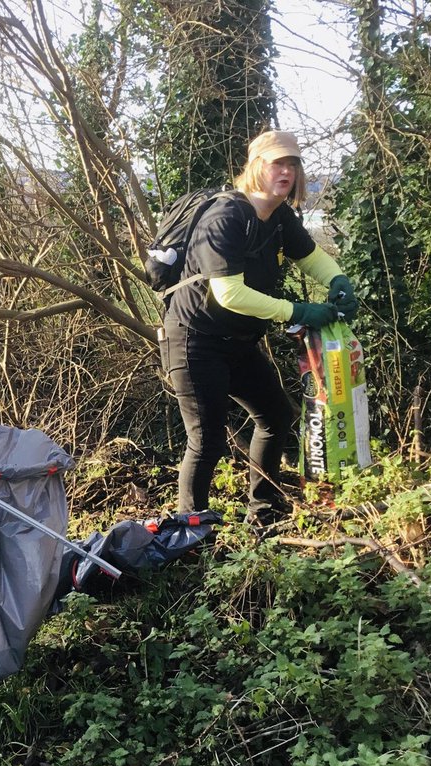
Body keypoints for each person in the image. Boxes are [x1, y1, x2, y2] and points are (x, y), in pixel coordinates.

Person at [159, 130, 358, 528]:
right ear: (255, 167)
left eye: (293, 164)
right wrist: (297, 310)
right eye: (276, 163)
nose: (286, 171)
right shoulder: (226, 217)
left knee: (276, 415)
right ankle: (191, 531)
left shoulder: (279, 216)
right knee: (207, 439)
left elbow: (312, 256)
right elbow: (229, 293)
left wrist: (338, 279)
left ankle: (263, 511)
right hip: (194, 340)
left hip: (238, 341)